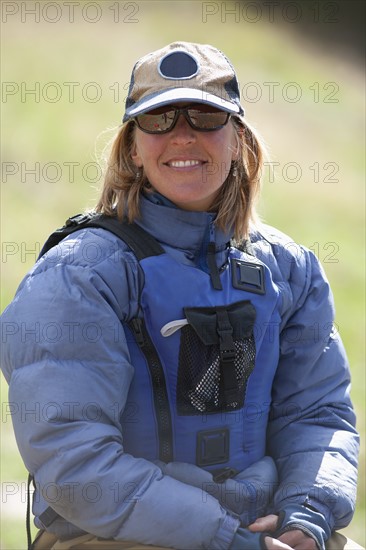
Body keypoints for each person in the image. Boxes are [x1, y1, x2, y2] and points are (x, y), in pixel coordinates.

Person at [0, 41, 361, 550]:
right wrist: (224, 538)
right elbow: (75, 463)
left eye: (205, 116)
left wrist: (307, 514)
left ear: (238, 139)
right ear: (131, 147)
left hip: (265, 531)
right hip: (112, 535)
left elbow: (317, 414)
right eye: (159, 119)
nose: (183, 135)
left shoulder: (290, 269)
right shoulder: (78, 275)